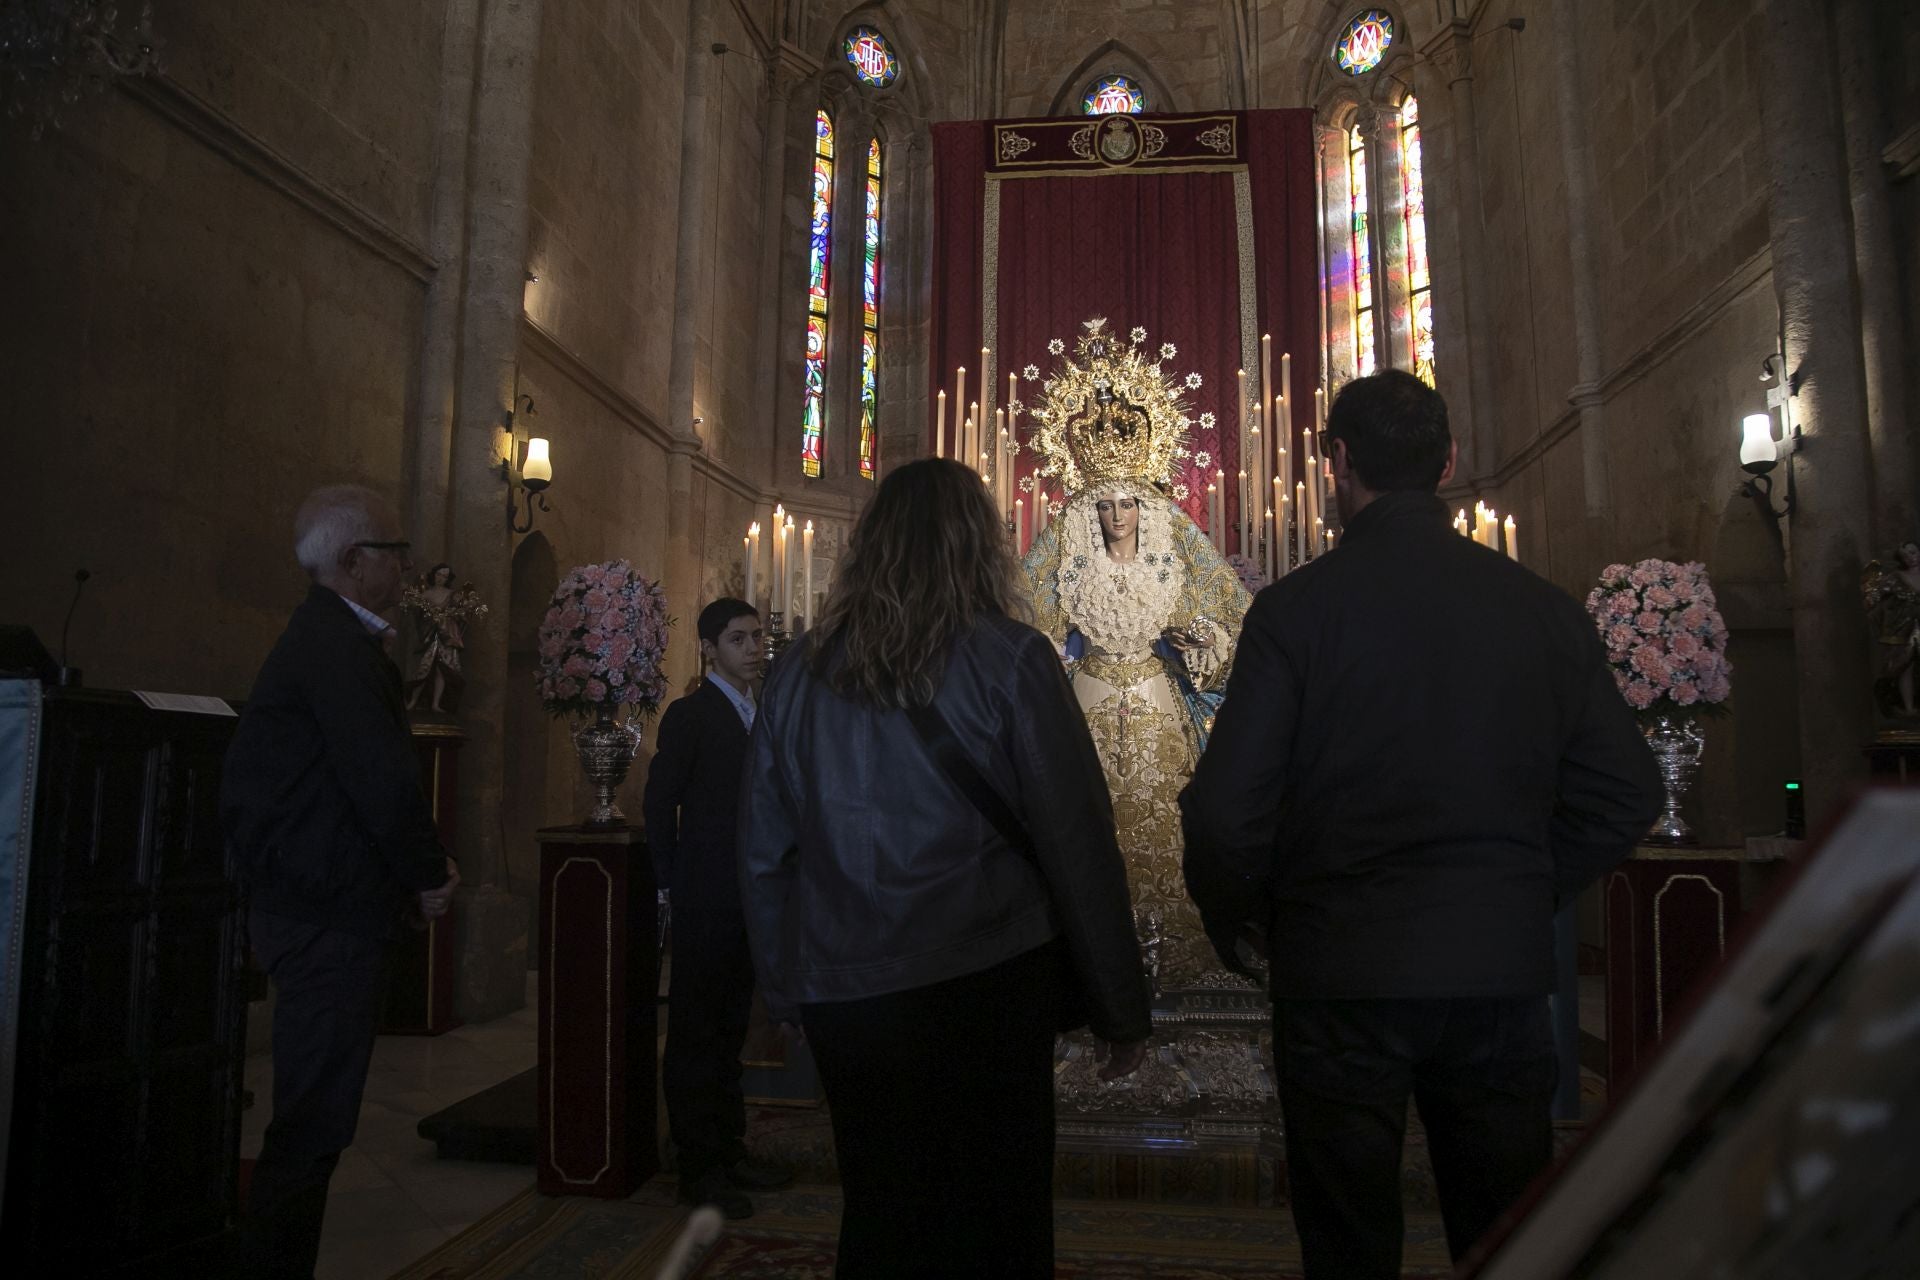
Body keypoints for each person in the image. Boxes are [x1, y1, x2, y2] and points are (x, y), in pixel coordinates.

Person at [1180, 370, 1664, 1279]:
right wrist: (1522, 887)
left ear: (1337, 463)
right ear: (1450, 462)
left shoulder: (1296, 612)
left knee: (1349, 1244)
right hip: (1494, 972)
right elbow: (1627, 792)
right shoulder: (1542, 611)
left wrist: (1244, 922)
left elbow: (1223, 812)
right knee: (1508, 1233)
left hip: (1338, 968)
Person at [739, 458, 1151, 1278]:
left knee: (882, 1210)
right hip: (986, 979)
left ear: (869, 546)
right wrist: (1119, 1009)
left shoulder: (795, 675)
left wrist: (783, 989)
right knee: (997, 1217)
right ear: (978, 546)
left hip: (850, 987)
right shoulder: (1013, 660)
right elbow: (1076, 841)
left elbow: (763, 851)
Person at [221, 485, 460, 1279]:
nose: (408, 565)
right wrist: (427, 875)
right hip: (325, 920)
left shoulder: (332, 640)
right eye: (396, 552)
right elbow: (382, 780)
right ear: (355, 563)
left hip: (325, 909)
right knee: (311, 1126)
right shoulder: (335, 649)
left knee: (316, 1121)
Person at [1020, 319, 1253, 989]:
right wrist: (1049, 652)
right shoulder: (1065, 537)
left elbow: (1228, 616)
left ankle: (1175, 949)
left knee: (1170, 818)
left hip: (1157, 700)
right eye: (1104, 505)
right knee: (1082, 821)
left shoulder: (1173, 534)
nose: (1116, 515)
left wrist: (1202, 641)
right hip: (1086, 701)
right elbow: (1022, 619)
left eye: (1127, 502)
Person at [641, 597, 790, 1219]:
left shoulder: (769, 713)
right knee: (698, 1032)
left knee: (733, 1029)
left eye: (756, 637)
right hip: (707, 894)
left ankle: (729, 1150)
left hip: (753, 897)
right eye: (738, 639)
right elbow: (658, 803)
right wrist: (671, 884)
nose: (753, 648)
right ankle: (697, 1165)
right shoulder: (692, 715)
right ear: (709, 649)